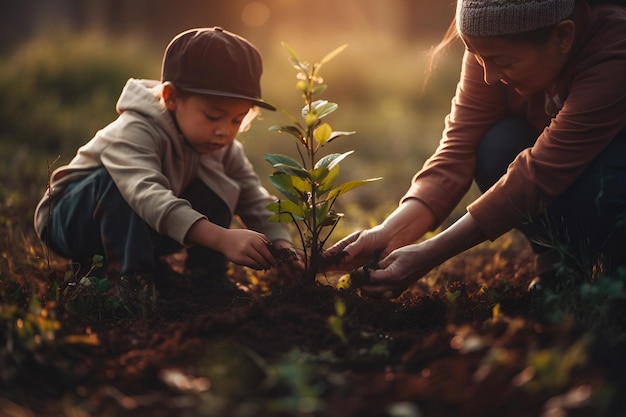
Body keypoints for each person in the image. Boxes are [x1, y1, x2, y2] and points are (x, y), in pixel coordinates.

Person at [326, 0, 626, 298]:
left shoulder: (615, 50)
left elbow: (540, 173)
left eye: (505, 63)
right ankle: (561, 263)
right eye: (478, 58)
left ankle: (614, 270)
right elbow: (458, 149)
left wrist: (430, 253)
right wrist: (390, 232)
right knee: (496, 145)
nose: (490, 77)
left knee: (610, 183)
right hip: (563, 178)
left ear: (563, 36)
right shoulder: (494, 47)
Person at [34, 27, 300, 302]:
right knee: (124, 186)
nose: (225, 131)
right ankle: (128, 280)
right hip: (71, 221)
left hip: (139, 225)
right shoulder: (136, 129)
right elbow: (145, 194)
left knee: (222, 185)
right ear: (171, 97)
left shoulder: (223, 147)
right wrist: (222, 238)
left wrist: (282, 244)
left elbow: (253, 197)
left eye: (237, 120)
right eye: (213, 116)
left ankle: (206, 277)